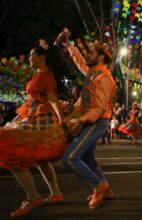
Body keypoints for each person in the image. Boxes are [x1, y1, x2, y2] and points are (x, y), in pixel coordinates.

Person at [0, 43, 69, 217]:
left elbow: (53, 99)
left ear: (41, 57)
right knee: (41, 160)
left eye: (31, 55)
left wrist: (62, 121)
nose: (29, 58)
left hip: (38, 119)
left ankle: (34, 197)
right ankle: (56, 193)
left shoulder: (45, 75)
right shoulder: (41, 74)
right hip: (33, 116)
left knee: (13, 153)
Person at [56, 28, 117, 209]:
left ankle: (98, 186)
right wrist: (68, 44)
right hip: (90, 120)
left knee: (70, 158)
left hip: (97, 122)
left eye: (90, 53)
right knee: (88, 160)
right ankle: (107, 190)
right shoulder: (92, 72)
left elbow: (98, 110)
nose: (87, 55)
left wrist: (79, 120)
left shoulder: (104, 78)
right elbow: (80, 61)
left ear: (100, 58)